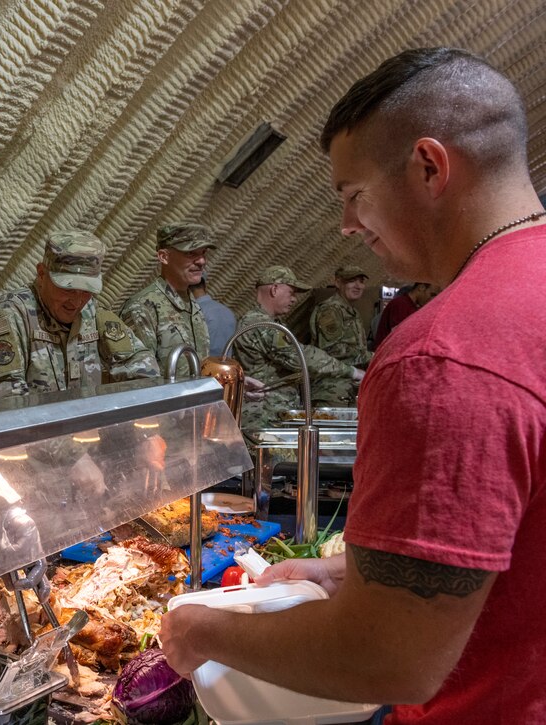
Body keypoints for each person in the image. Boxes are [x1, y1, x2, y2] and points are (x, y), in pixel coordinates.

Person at [159, 47, 546, 723]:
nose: (345, 225)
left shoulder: (441, 356)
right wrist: (346, 574)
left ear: (429, 167)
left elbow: (390, 657)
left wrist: (200, 629)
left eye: (352, 194)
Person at [0, 230, 160, 400]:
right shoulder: (11, 316)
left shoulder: (92, 312)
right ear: (42, 273)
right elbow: (6, 400)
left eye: (86, 290)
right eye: (68, 289)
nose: (77, 302)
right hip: (34, 435)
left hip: (83, 435)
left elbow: (145, 369)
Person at [233, 266, 364, 428]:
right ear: (274, 289)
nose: (294, 299)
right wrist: (353, 372)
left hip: (274, 414)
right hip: (264, 417)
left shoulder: (272, 322)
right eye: (292, 292)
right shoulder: (260, 324)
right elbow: (301, 357)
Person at [118, 223, 215, 373]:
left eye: (203, 253)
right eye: (190, 253)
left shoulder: (190, 302)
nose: (202, 261)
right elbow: (140, 379)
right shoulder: (142, 308)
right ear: (164, 257)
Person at [308, 265, 373, 405]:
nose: (358, 286)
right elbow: (333, 349)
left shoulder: (351, 311)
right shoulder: (330, 309)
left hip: (349, 387)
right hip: (331, 388)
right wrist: (373, 357)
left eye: (361, 281)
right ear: (338, 283)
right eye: (351, 281)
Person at [372, 282, 440, 346]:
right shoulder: (400, 304)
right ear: (421, 287)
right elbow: (400, 337)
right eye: (431, 294)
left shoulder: (413, 307)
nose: (431, 299)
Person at [190, 275, 236, 357]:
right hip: (226, 367)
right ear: (205, 286)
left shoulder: (194, 313)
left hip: (204, 368)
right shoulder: (228, 312)